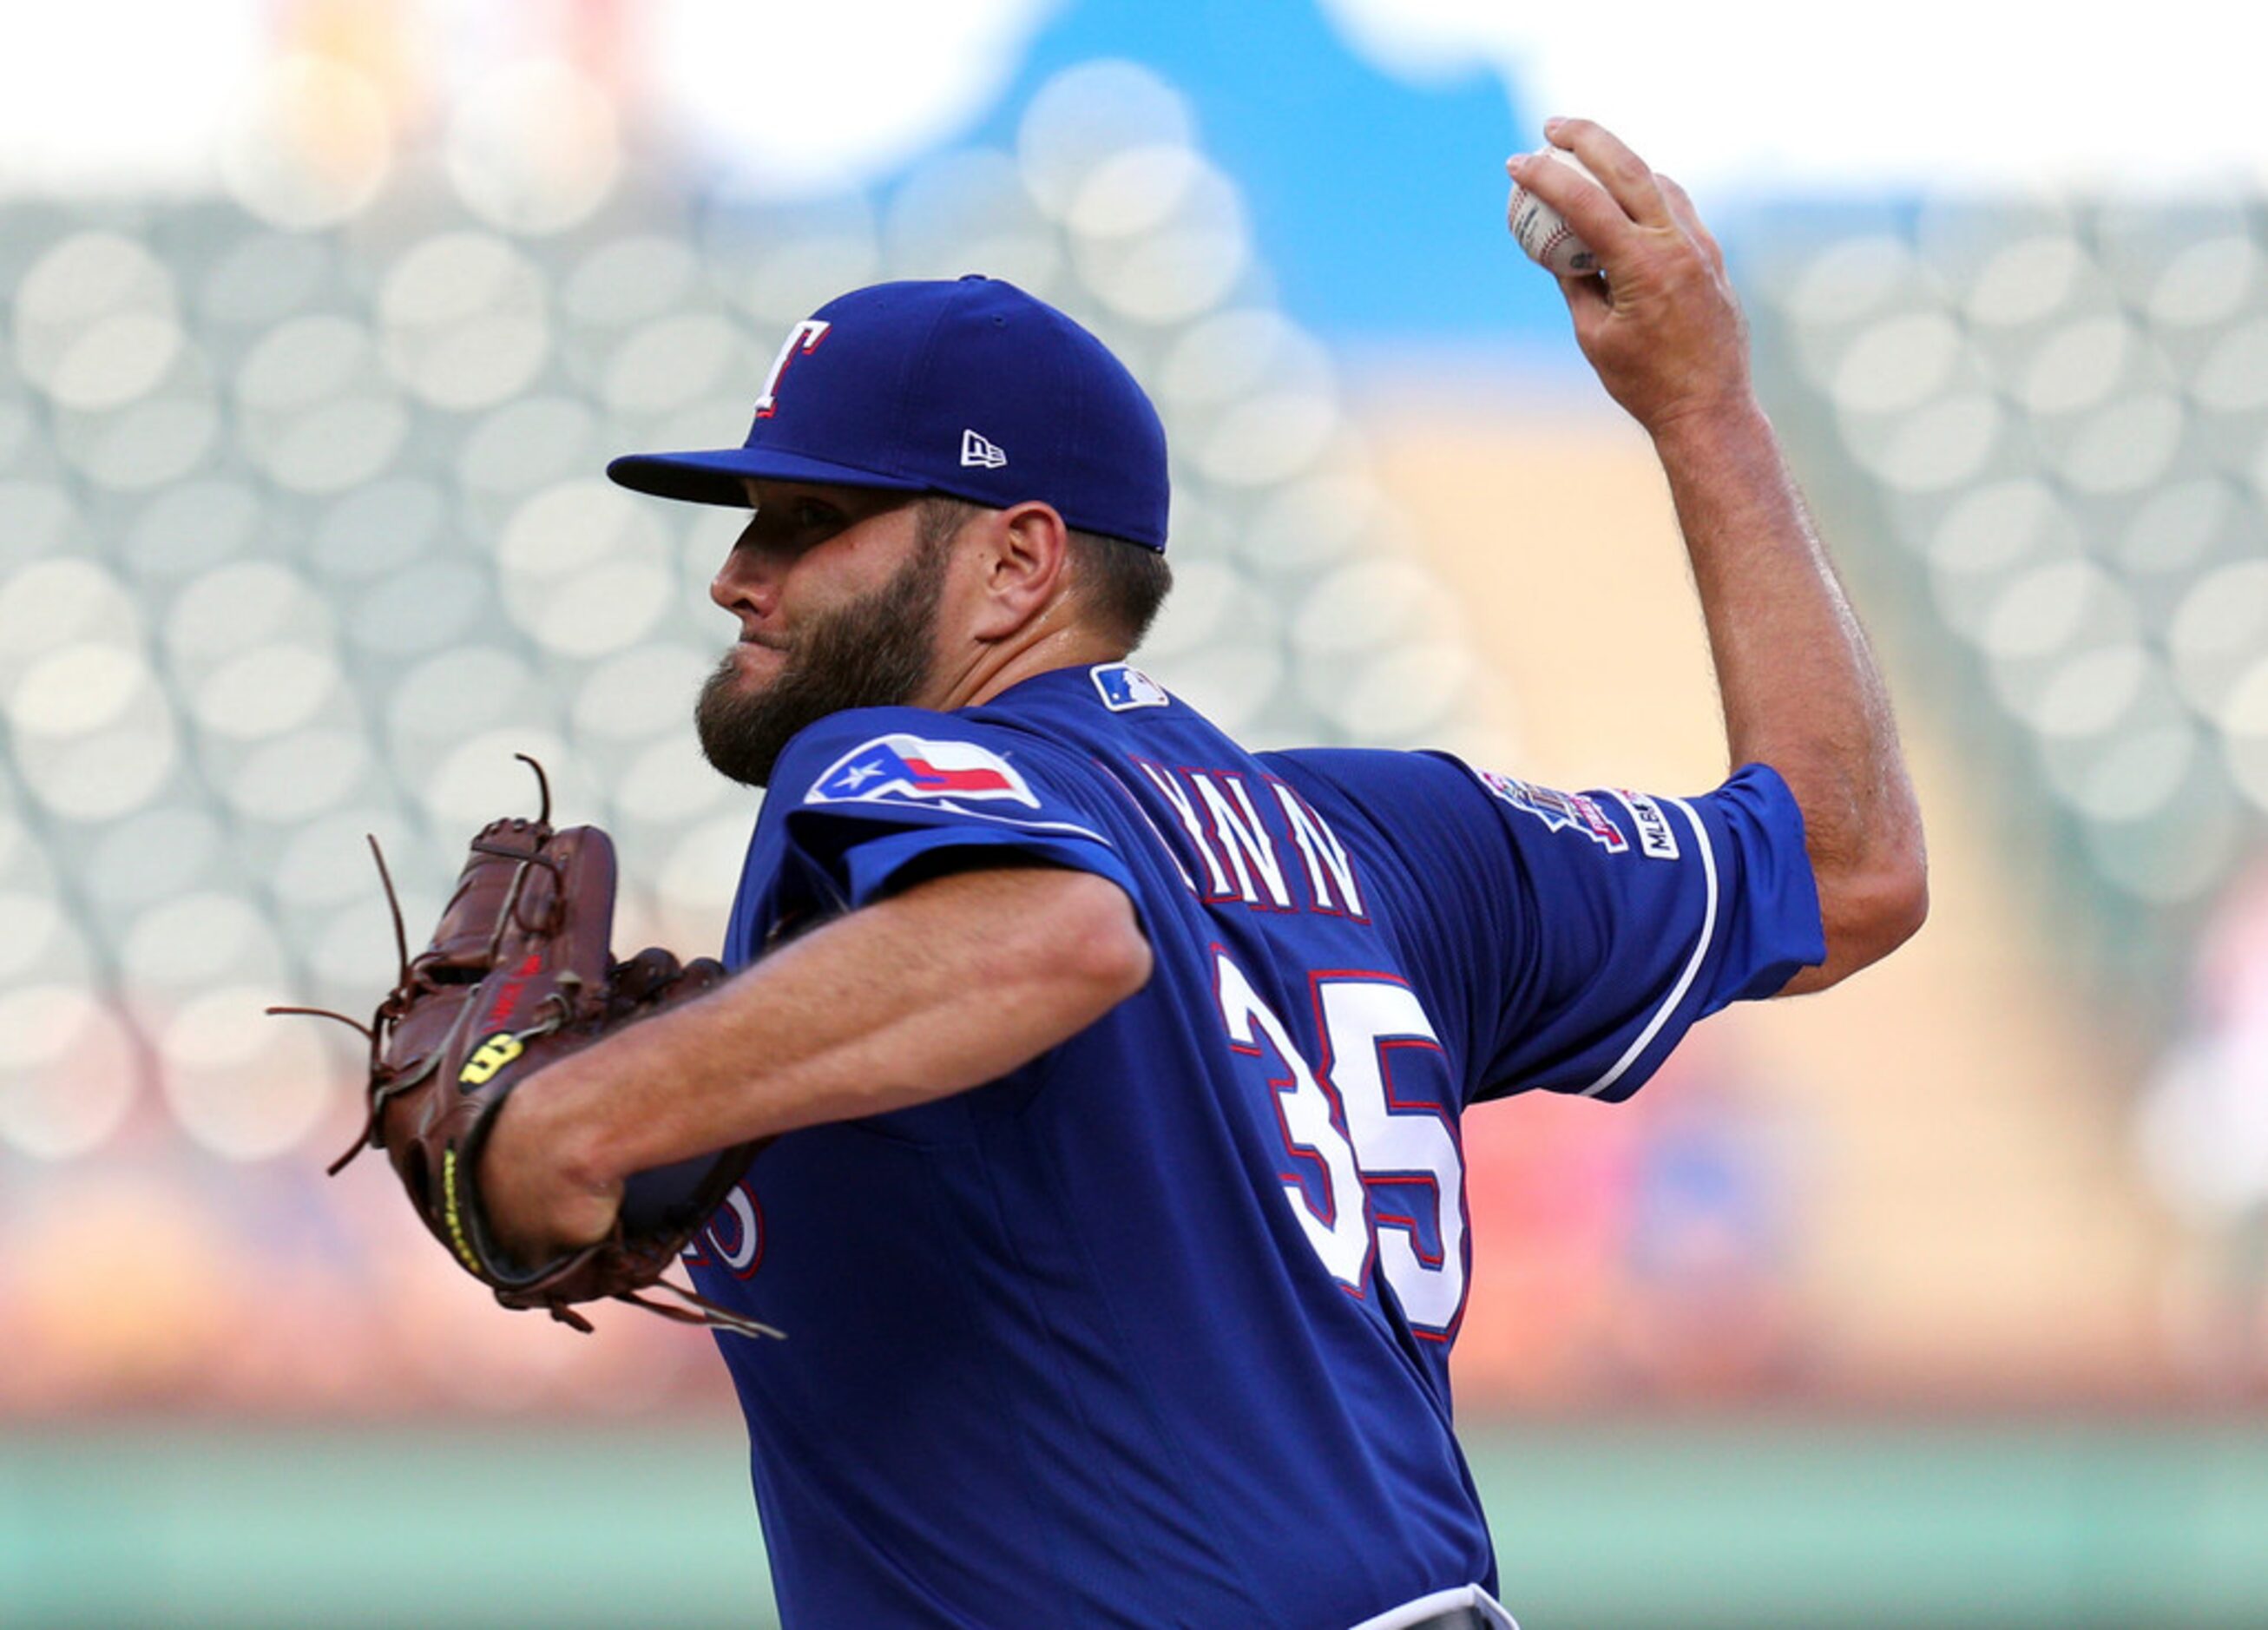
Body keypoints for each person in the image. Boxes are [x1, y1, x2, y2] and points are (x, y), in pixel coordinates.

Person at [477, 120, 1926, 1630]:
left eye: (810, 520)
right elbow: (1846, 863)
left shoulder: (879, 766)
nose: (737, 570)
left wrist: (563, 1123)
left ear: (1018, 565)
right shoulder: (1392, 843)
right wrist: (1705, 413)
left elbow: (1054, 933)